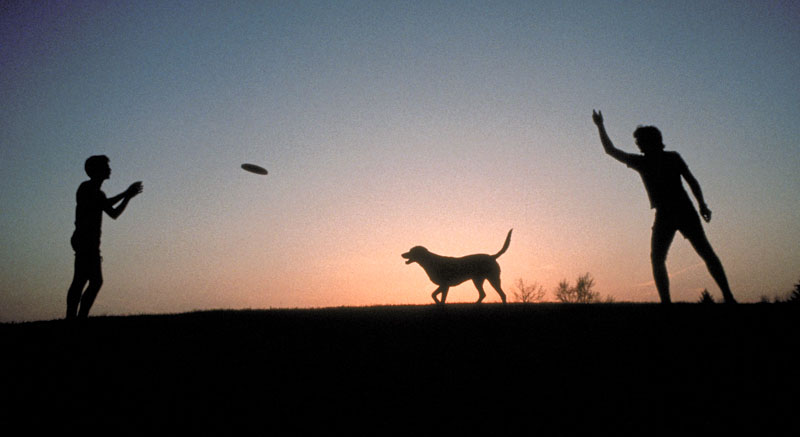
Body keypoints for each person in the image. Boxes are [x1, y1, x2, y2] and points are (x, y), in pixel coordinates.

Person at [592, 110, 735, 304]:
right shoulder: (662, 159)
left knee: (689, 255)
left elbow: (611, 150)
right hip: (674, 212)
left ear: (650, 142)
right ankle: (720, 297)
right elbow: (692, 181)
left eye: (640, 141)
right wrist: (701, 204)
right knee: (673, 256)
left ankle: (722, 297)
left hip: (677, 211)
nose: (638, 145)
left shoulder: (652, 161)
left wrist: (600, 125)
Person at [66, 155, 143, 319]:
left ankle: (76, 317)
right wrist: (126, 194)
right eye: (106, 167)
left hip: (89, 242)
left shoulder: (97, 192)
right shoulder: (87, 188)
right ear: (97, 170)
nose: (109, 169)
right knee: (86, 281)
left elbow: (112, 212)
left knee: (87, 280)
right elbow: (106, 206)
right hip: (84, 241)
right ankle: (75, 317)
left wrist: (127, 196)